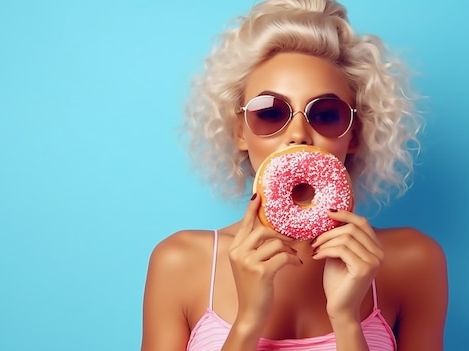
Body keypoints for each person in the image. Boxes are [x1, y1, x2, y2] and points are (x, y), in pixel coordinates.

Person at [140, 0, 448, 350]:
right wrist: (248, 320)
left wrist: (346, 319)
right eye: (270, 112)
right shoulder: (180, 262)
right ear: (240, 131)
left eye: (327, 114)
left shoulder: (411, 261)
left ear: (355, 135)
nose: (298, 134)